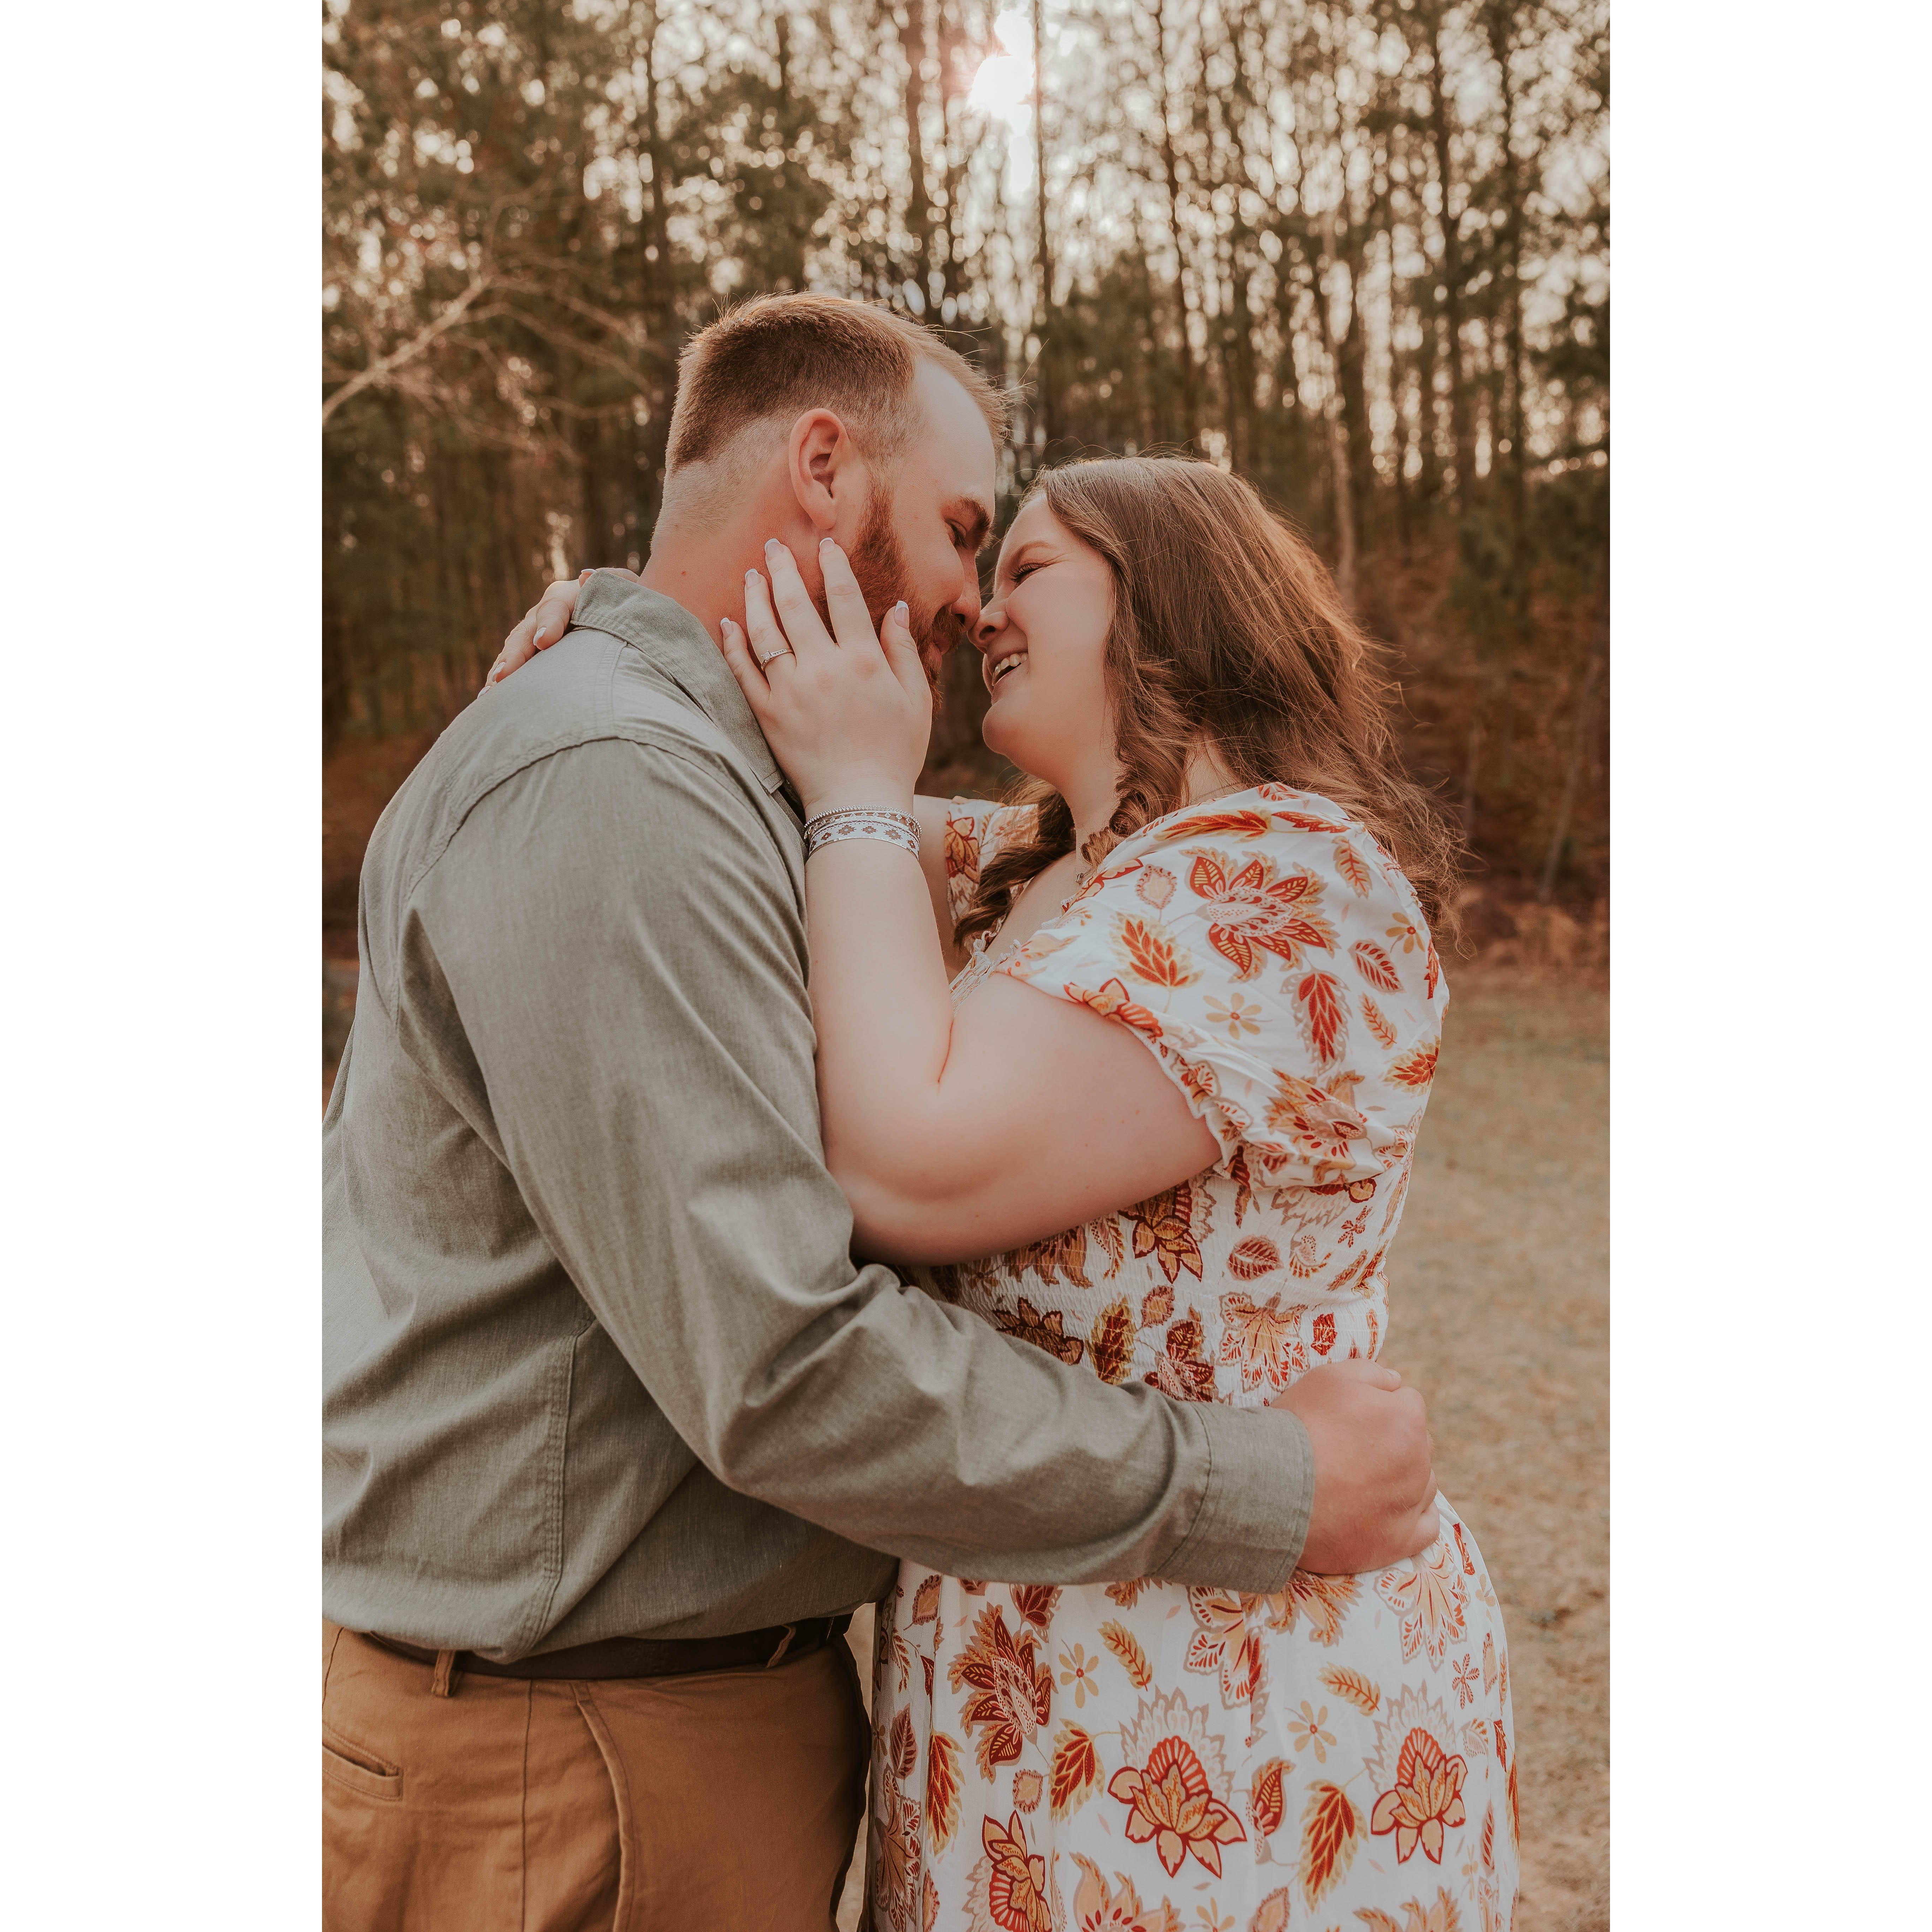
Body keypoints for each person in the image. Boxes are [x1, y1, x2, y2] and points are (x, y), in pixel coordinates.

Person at [324, 293, 1438, 1932]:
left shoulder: (1164, 875)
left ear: (1168, 606)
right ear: (824, 467)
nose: (970, 602)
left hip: (1161, 1700)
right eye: (969, 533)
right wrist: (628, 645)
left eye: (1018, 562)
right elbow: (790, 1349)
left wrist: (656, 649)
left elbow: (873, 854)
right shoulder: (629, 782)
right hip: (584, 1744)